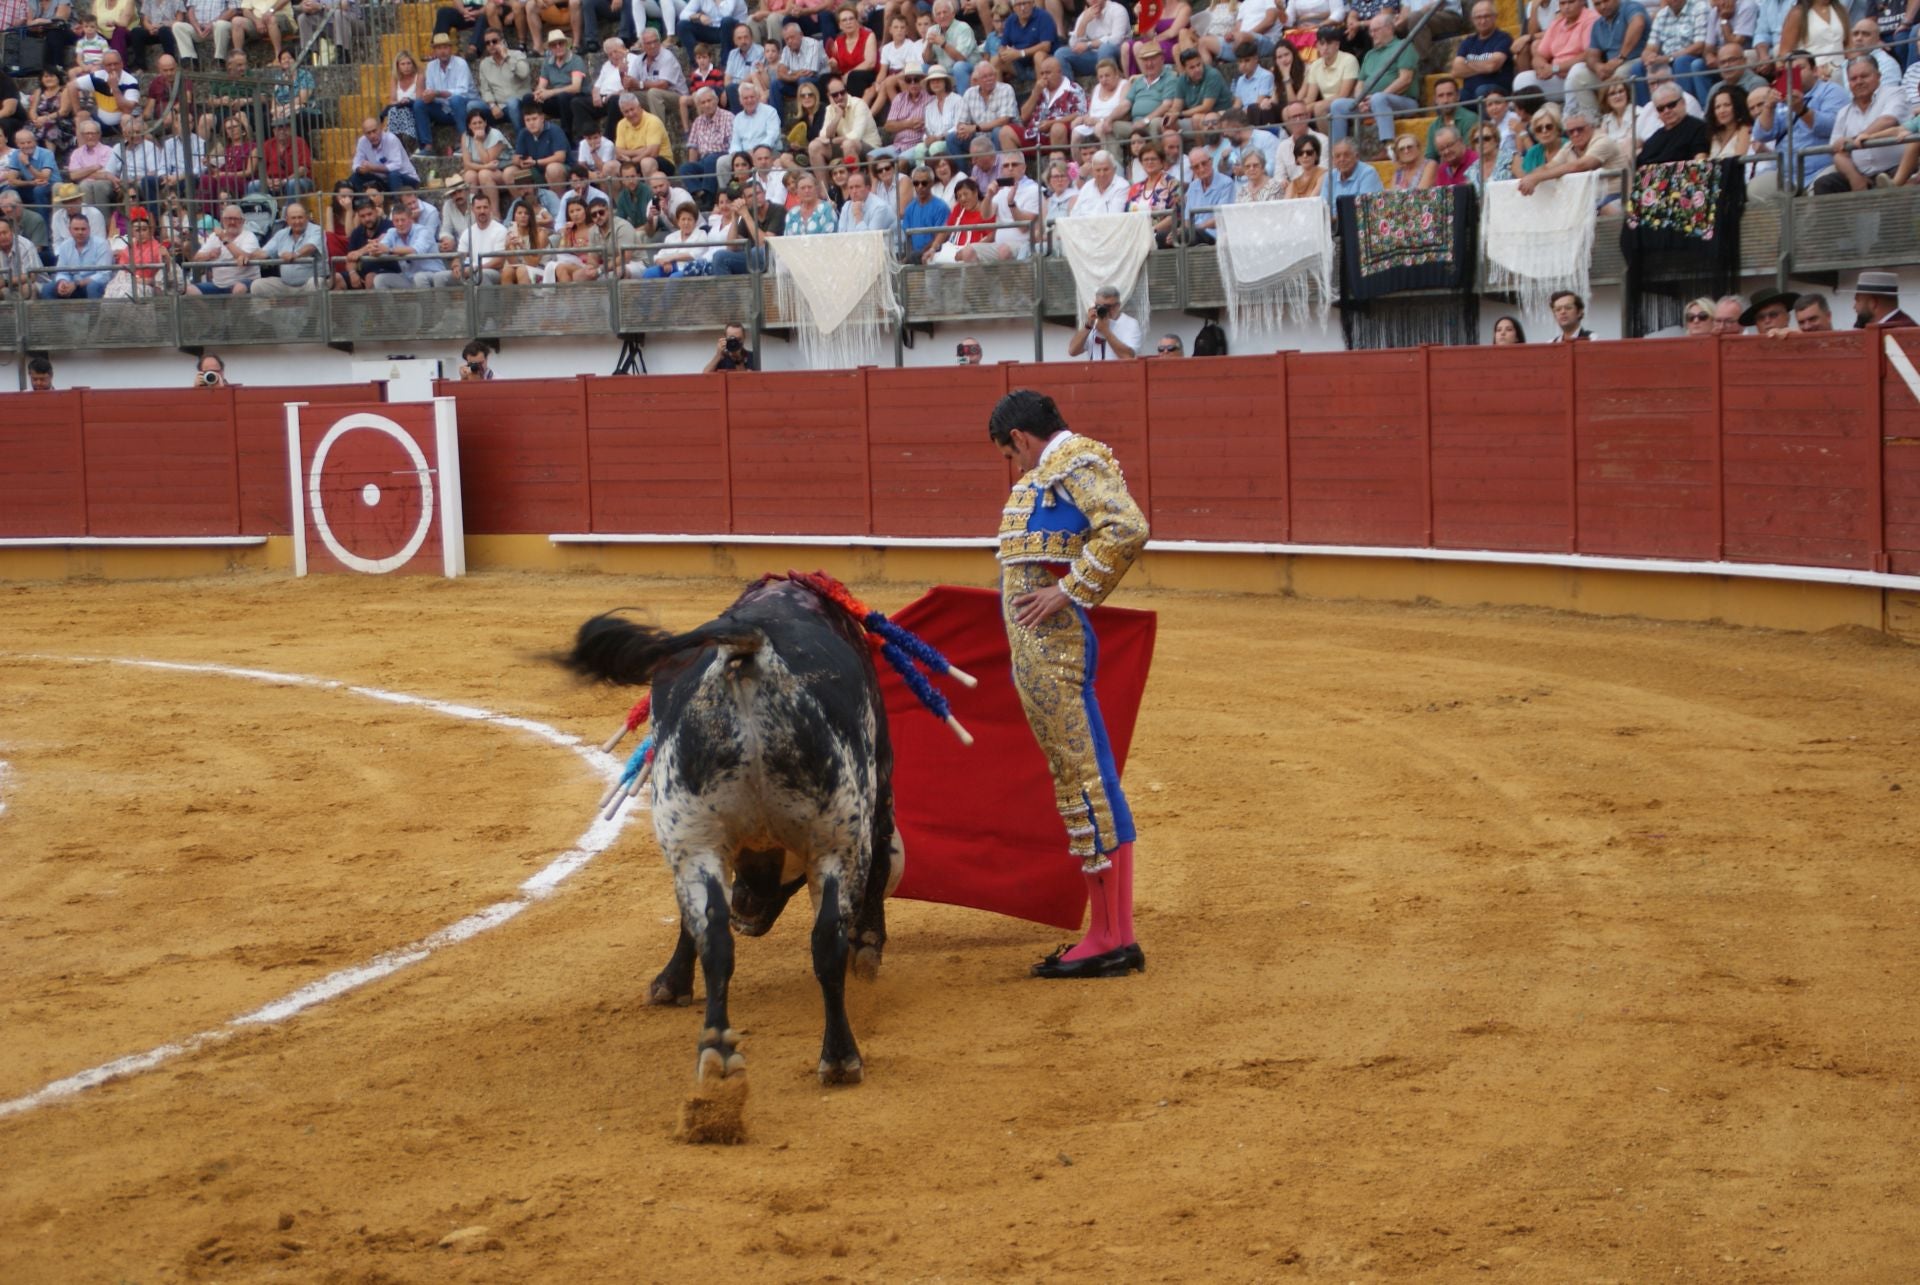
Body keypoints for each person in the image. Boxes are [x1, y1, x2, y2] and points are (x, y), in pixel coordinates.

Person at [987, 387, 1149, 980]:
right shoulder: (1059, 468)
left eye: (1011, 454)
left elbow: (1127, 528)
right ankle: (1116, 934)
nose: (1015, 465)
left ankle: (1106, 937)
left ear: (1020, 438)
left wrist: (1068, 591)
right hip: (1047, 652)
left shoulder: (1072, 463)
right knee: (1090, 777)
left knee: (1081, 780)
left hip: (1055, 653)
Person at [1330, 14, 1418, 147]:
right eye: (1370, 31)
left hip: (1403, 101)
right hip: (1370, 103)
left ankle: (1388, 145)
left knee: (1379, 98)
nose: (1372, 35)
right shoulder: (1370, 54)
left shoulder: (1404, 46)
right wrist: (1360, 100)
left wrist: (1380, 95)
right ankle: (1338, 149)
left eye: (1376, 30)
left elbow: (1405, 79)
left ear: (1389, 29)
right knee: (1337, 105)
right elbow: (1360, 83)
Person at [251, 199, 326, 293]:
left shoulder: (316, 230)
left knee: (315, 283)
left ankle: (315, 304)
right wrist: (247, 256)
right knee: (257, 285)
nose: (297, 221)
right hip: (285, 284)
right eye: (293, 218)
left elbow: (311, 247)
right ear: (287, 220)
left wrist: (295, 254)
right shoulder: (281, 234)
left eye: (300, 217)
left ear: (307, 217)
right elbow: (264, 253)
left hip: (309, 283)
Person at [1453, 0, 1515, 101]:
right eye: (1478, 17)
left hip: (1496, 92)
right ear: (1472, 20)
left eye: (1487, 16)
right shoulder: (1468, 42)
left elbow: (1492, 66)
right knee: (1450, 97)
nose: (1482, 21)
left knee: (1481, 91)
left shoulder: (1503, 38)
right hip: (1470, 93)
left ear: (1495, 17)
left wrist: (1467, 62)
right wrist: (1484, 67)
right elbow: (1456, 71)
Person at [1637, 82, 1710, 162]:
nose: (1666, 111)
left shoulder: (1699, 129)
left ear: (1683, 102)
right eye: (1661, 109)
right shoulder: (1653, 139)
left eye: (1671, 105)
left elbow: (1701, 162)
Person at [1068, 284, 1141, 359]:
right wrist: (1088, 326)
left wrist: (1105, 331)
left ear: (1117, 306)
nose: (1102, 310)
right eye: (1098, 306)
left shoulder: (1130, 324)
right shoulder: (1094, 322)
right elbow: (1072, 351)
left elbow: (1129, 356)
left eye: (1107, 306)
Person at [350, 116, 421, 192]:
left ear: (380, 129)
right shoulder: (362, 141)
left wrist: (372, 168)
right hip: (383, 180)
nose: (372, 136)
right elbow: (355, 164)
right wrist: (360, 169)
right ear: (364, 134)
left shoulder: (391, 139)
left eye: (374, 131)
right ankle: (363, 200)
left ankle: (397, 200)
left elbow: (396, 166)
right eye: (368, 133)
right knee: (355, 177)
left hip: (406, 178)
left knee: (393, 175)